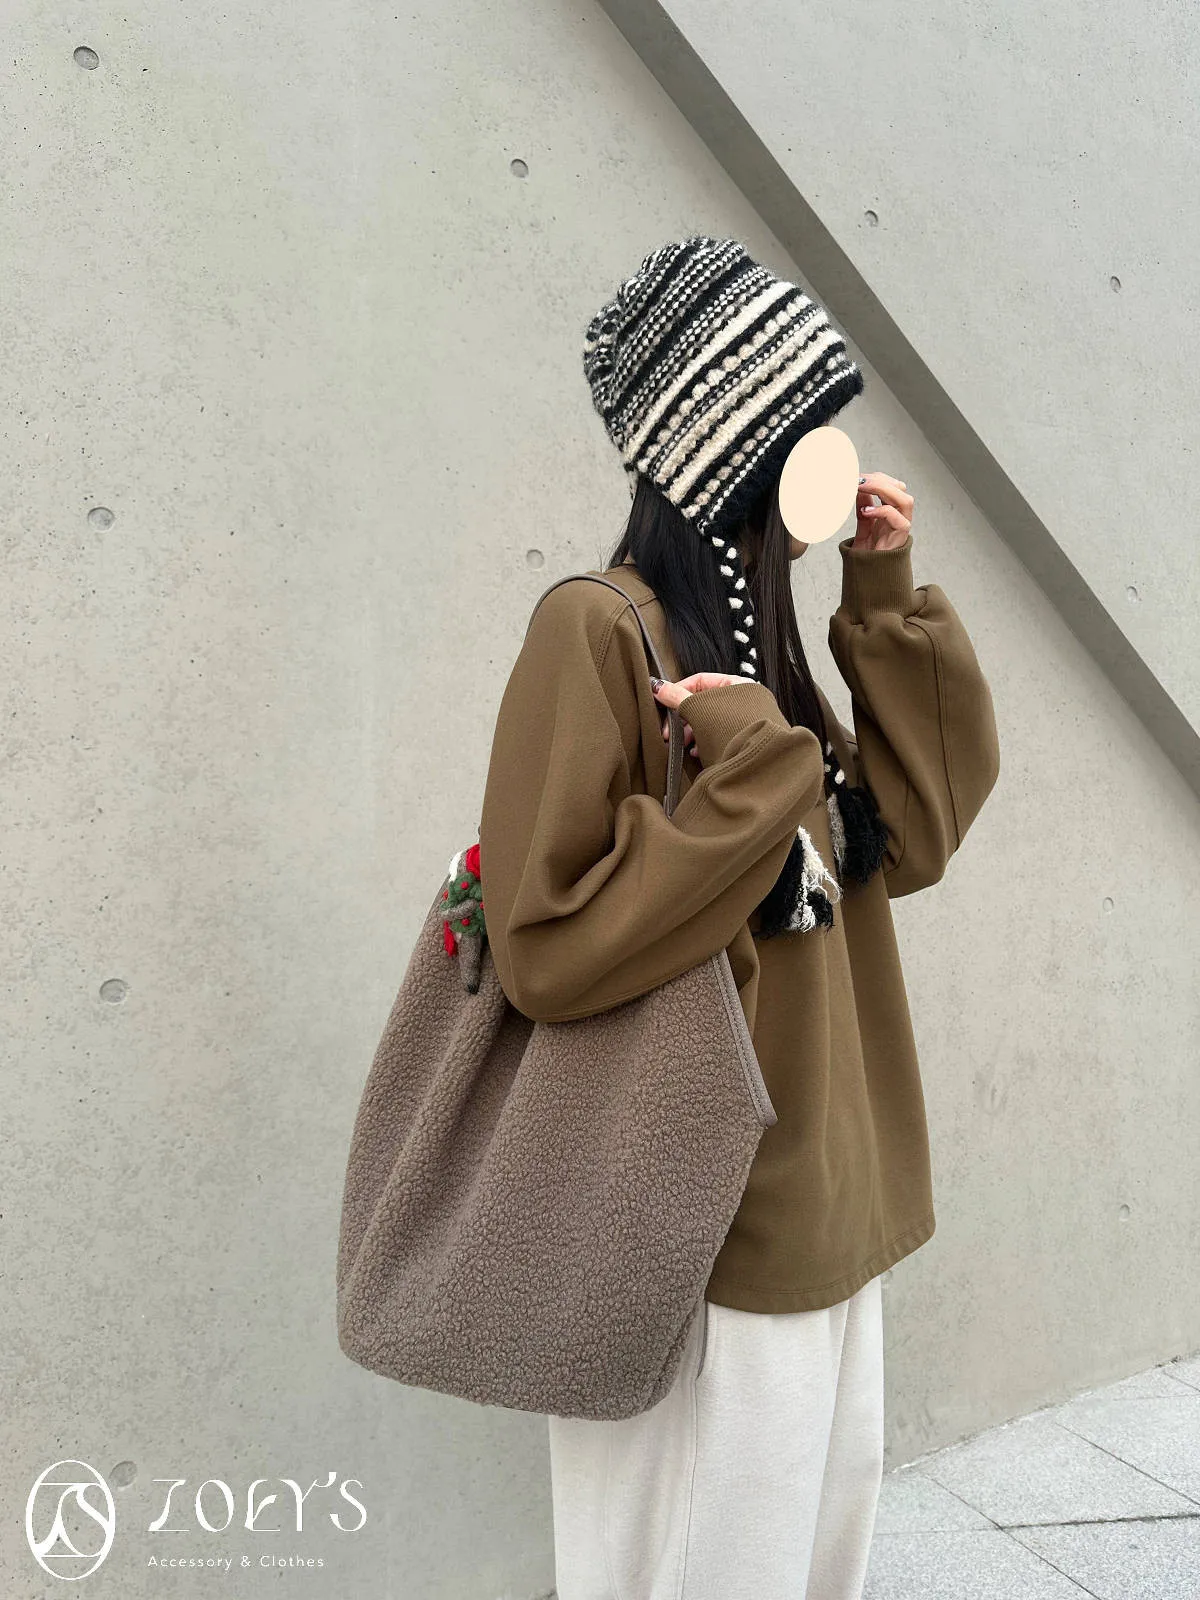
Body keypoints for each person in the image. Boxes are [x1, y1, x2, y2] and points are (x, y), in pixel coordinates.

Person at [477, 236, 1001, 1600]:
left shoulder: (763, 654)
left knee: (810, 1565)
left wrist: (879, 599)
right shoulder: (600, 632)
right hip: (703, 1226)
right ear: (731, 449)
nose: (836, 465)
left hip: (834, 1198)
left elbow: (915, 835)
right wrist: (757, 776)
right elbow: (545, 945)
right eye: (807, 432)